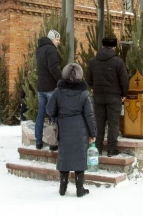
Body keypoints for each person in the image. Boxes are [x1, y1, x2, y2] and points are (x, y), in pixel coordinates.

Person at [46, 63, 96, 197]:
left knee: (64, 157)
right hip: (81, 130)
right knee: (80, 157)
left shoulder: (58, 91)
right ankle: (80, 189)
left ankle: (62, 188)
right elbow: (89, 115)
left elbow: (50, 110)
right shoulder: (84, 93)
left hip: (64, 128)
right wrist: (93, 133)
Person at [85, 36, 129, 157]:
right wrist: (124, 94)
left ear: (102, 46)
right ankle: (111, 149)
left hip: (98, 97)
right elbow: (124, 80)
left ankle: (98, 148)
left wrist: (96, 88)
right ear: (114, 47)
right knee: (113, 123)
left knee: (99, 123)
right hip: (114, 97)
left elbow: (88, 79)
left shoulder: (93, 61)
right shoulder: (118, 62)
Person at [35, 29, 63, 150]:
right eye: (57, 40)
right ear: (52, 39)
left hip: (41, 87)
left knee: (41, 114)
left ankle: (38, 141)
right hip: (51, 87)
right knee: (53, 114)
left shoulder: (39, 49)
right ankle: (52, 142)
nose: (59, 43)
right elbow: (53, 68)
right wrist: (61, 80)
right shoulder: (51, 49)